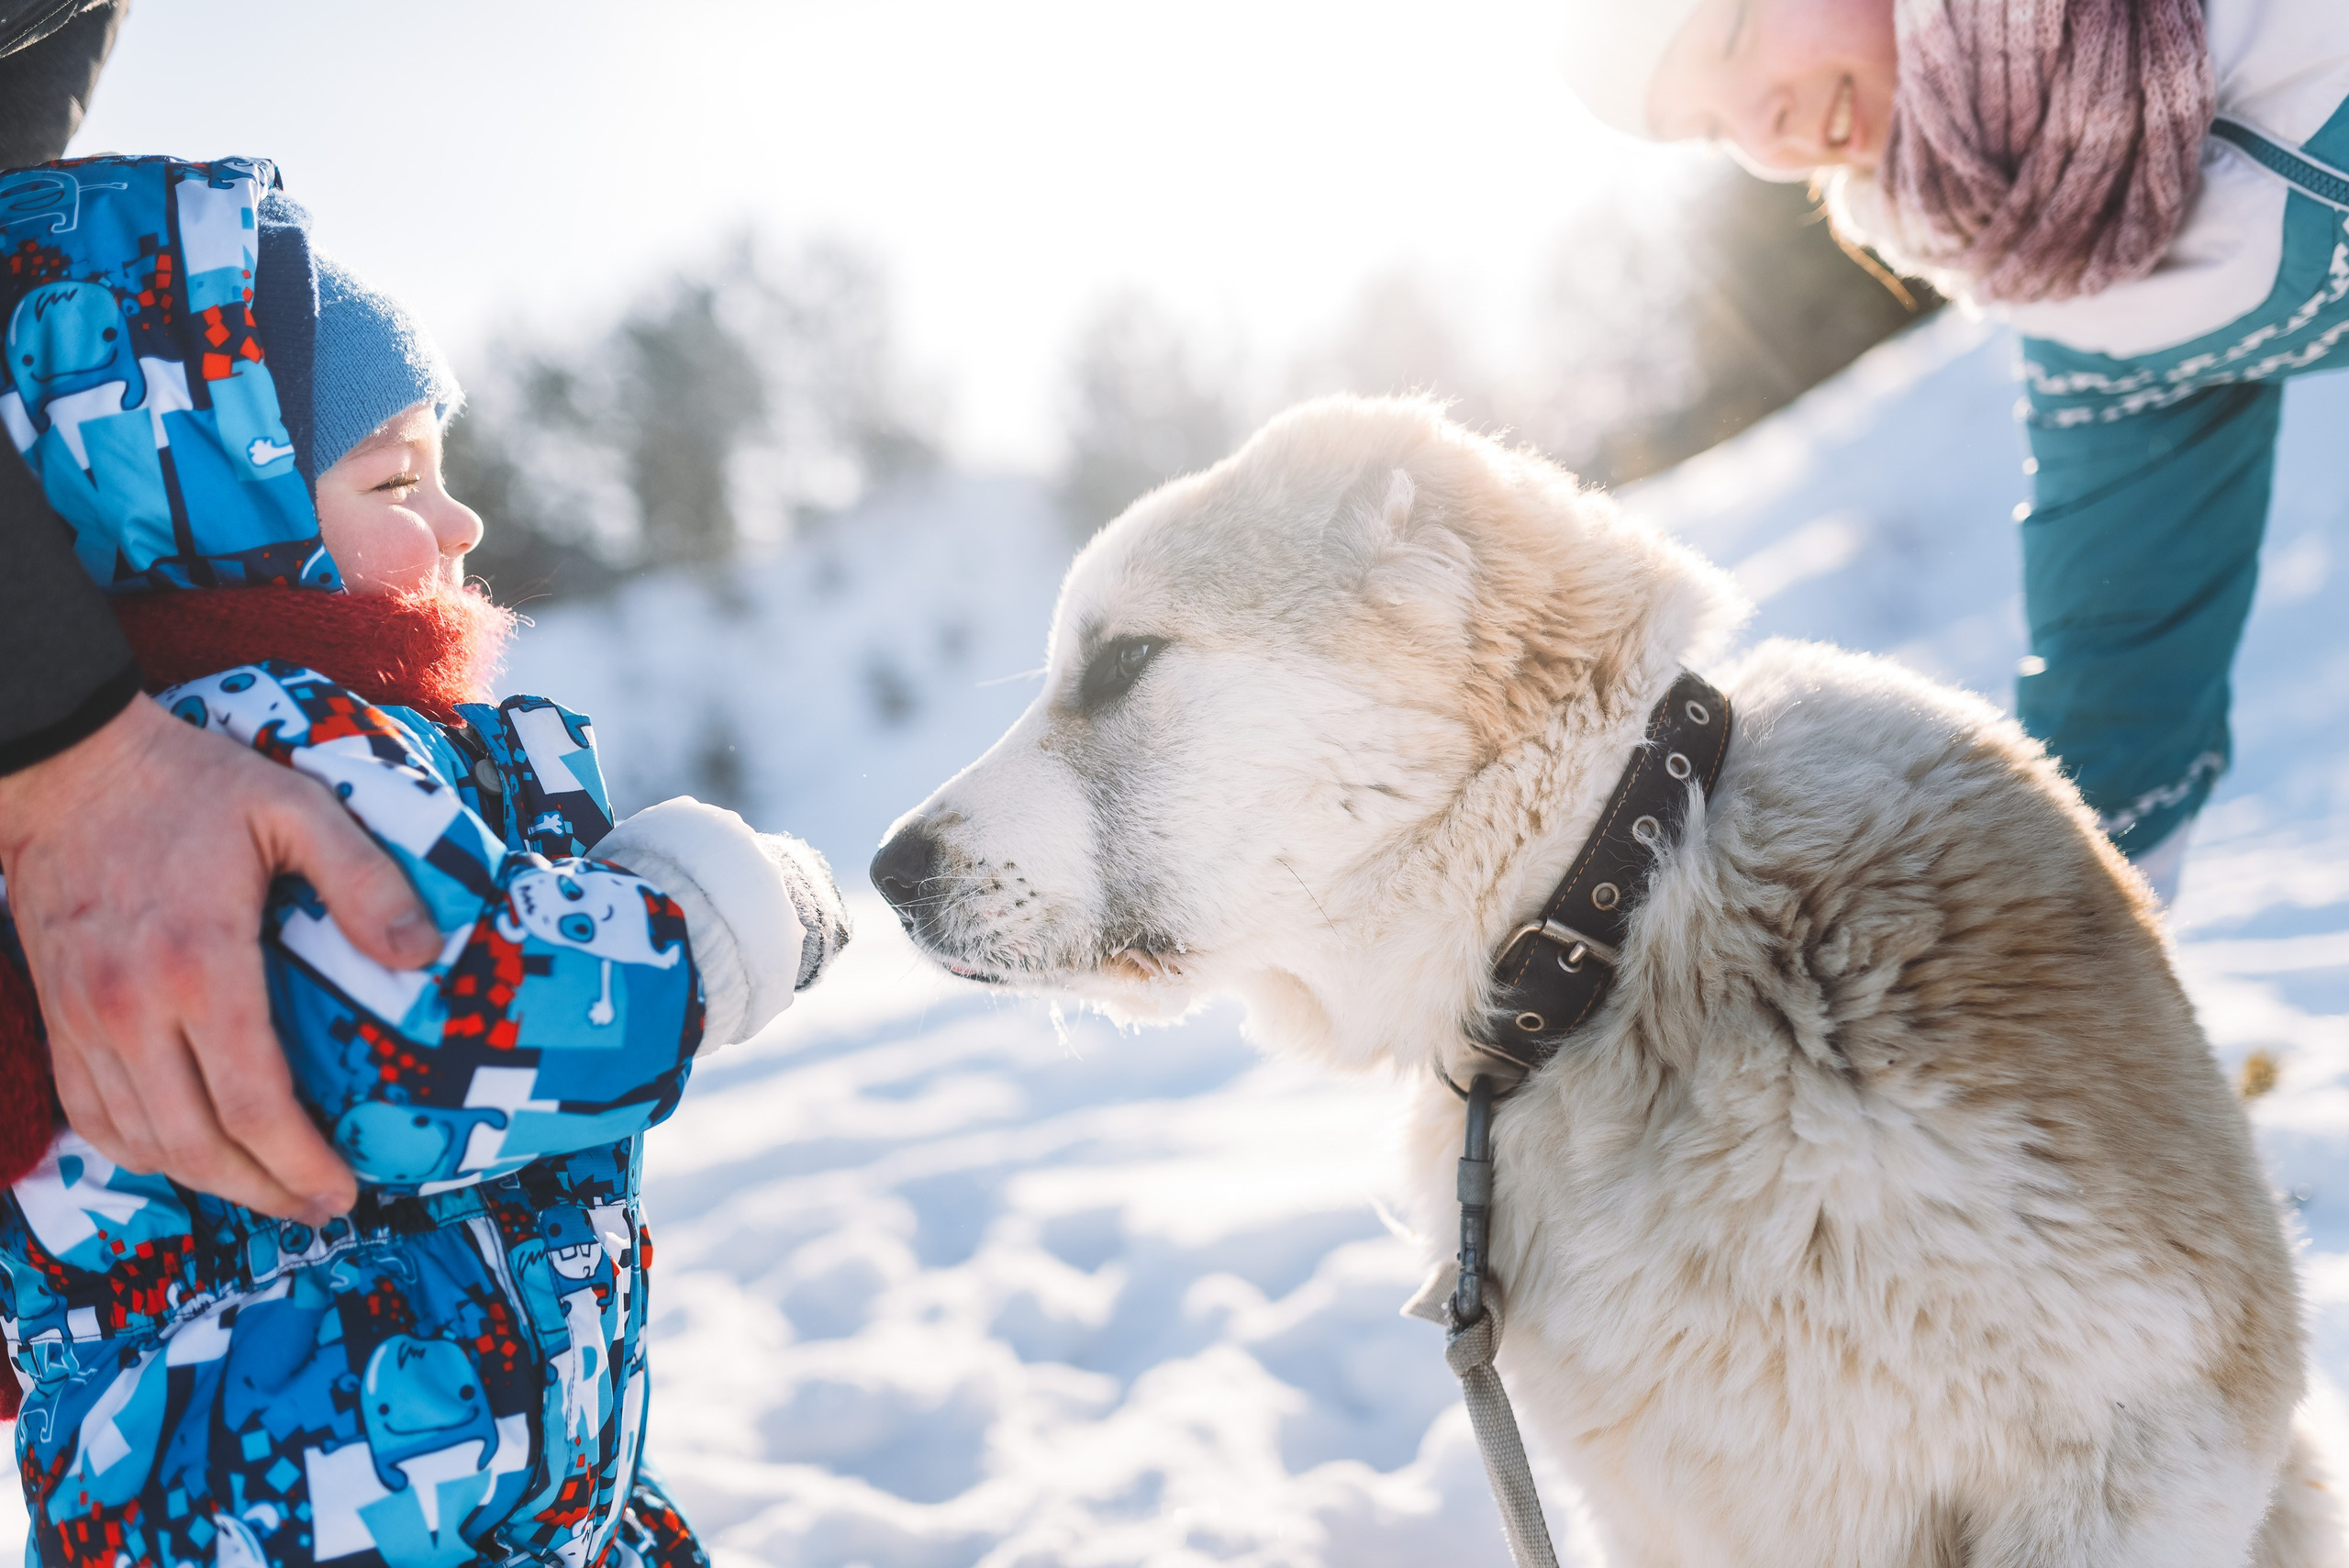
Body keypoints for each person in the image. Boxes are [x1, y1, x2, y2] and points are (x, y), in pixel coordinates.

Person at [0, 153, 851, 1568]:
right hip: (291, 1504)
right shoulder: (252, 749)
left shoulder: (230, 757)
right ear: (229, 505)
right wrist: (717, 916)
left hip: (431, 1478)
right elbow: (438, 1022)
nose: (458, 524)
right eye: (397, 476)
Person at [1559, 0, 2349, 904]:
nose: (1760, 129)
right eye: (1707, 129)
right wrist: (2061, 956)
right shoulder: (2069, 280)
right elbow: (2120, 657)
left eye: (1735, 32)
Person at [0, 0, 431, 1226]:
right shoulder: (300, 757)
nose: (464, 528)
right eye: (397, 479)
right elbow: (462, 1016)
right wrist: (61, 751)